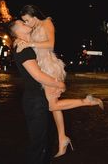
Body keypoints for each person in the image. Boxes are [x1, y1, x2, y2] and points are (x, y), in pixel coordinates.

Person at [18, 4, 104, 157]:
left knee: (52, 105)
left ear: (34, 15)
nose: (26, 23)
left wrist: (29, 43)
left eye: (26, 20)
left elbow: (50, 45)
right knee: (54, 105)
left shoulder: (47, 23)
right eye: (23, 21)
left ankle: (87, 101)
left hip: (49, 66)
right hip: (42, 66)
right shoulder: (33, 27)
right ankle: (62, 137)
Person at [7, 19, 66, 164]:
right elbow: (38, 75)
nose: (25, 22)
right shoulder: (24, 49)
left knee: (41, 141)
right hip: (35, 101)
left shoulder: (26, 46)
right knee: (39, 144)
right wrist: (60, 84)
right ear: (16, 32)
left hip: (36, 99)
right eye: (21, 23)